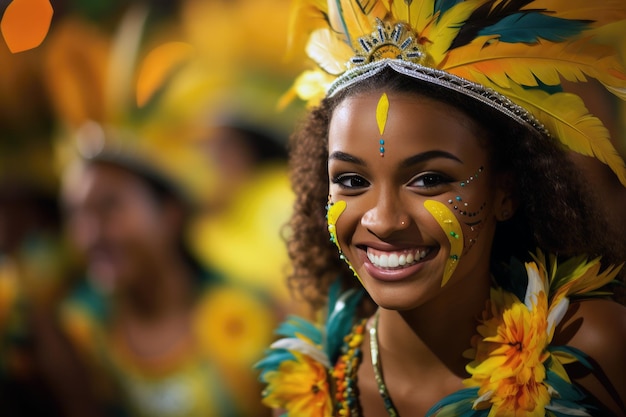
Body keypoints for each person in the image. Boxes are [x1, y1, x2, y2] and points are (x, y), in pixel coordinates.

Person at [256, 1, 626, 417]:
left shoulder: (593, 351)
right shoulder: (309, 395)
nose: (382, 220)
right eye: (352, 181)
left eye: (429, 180)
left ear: (507, 191)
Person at [60, 125, 276, 417]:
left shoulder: (250, 315)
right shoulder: (79, 333)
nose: (89, 236)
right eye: (76, 215)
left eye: (109, 207)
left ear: (170, 214)